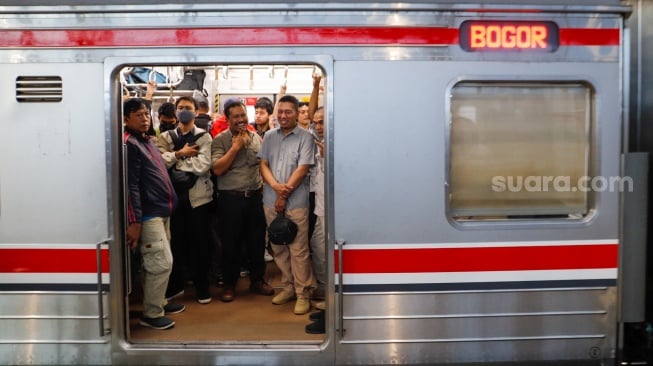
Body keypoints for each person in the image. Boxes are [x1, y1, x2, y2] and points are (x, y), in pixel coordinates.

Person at [123, 98, 184, 330]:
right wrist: (135, 220)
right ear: (126, 118)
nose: (145, 118)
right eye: (138, 114)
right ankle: (151, 313)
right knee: (161, 262)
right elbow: (131, 187)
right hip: (148, 215)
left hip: (162, 211)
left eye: (147, 114)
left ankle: (157, 301)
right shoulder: (129, 144)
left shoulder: (146, 141)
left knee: (155, 262)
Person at [211, 98, 274, 302]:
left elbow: (264, 165)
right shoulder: (220, 140)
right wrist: (235, 148)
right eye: (236, 116)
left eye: (243, 115)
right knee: (231, 244)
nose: (241, 119)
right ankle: (229, 283)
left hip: (255, 198)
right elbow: (218, 169)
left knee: (257, 242)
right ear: (227, 119)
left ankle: (258, 280)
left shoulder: (256, 137)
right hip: (231, 200)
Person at [258, 95, 316, 315]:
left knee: (298, 250)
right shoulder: (269, 136)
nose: (283, 116)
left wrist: (283, 194)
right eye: (280, 111)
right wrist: (274, 186)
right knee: (278, 248)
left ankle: (303, 293)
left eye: (288, 112)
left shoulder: (305, 138)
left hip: (296, 202)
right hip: (270, 200)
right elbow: (263, 163)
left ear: (295, 113)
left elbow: (302, 169)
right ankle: (289, 287)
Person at [157, 96, 214, 305]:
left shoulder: (204, 137)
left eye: (188, 108)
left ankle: (202, 287)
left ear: (196, 112)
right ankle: (175, 285)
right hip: (172, 198)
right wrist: (181, 153)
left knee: (200, 244)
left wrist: (175, 160)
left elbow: (203, 165)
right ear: (175, 112)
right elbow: (160, 164)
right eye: (180, 108)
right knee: (175, 244)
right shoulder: (165, 137)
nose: (184, 111)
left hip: (198, 199)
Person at [308, 106, 326, 300]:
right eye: (315, 123)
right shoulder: (317, 142)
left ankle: (329, 291)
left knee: (323, 247)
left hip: (335, 211)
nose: (318, 126)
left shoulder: (338, 143)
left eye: (322, 122)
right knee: (317, 245)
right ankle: (323, 287)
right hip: (321, 207)